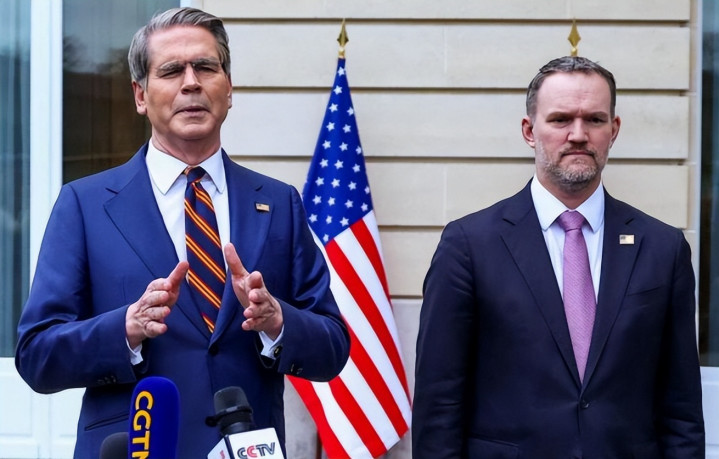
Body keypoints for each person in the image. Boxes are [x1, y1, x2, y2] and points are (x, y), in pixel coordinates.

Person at [15, 7, 349, 458]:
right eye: (171, 70)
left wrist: (277, 322)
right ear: (140, 95)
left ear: (228, 88)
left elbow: (333, 347)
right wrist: (126, 328)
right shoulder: (85, 205)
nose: (191, 83)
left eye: (206, 67)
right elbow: (37, 355)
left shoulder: (278, 203)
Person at [412, 56, 705, 458]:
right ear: (529, 131)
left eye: (595, 120)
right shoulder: (469, 245)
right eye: (561, 119)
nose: (578, 135)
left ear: (614, 130)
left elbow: (681, 407)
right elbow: (439, 403)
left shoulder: (662, 248)